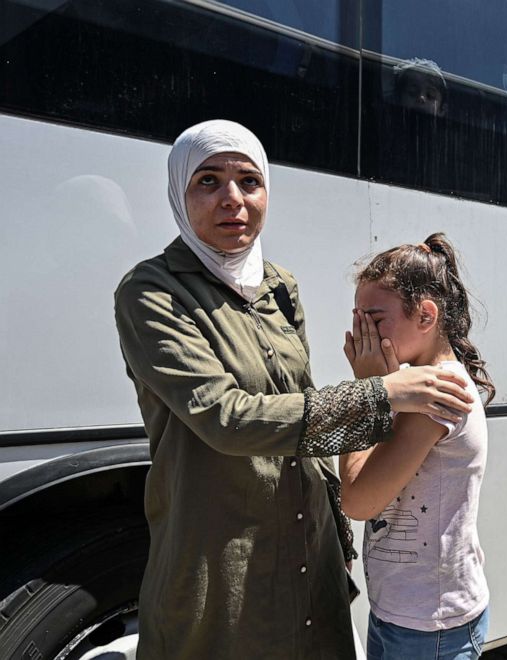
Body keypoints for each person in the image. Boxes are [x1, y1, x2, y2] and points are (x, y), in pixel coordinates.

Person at [113, 120, 474, 660]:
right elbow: (226, 418)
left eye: (249, 182)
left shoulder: (280, 285)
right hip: (222, 561)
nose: (233, 199)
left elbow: (302, 402)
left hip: (308, 550)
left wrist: (337, 536)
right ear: (179, 195)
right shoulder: (151, 292)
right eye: (208, 181)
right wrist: (382, 393)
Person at [339, 234, 494, 660]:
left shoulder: (439, 390)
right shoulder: (414, 384)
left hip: (429, 627)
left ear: (426, 315)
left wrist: (364, 391)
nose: (361, 331)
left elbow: (358, 499)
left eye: (373, 318)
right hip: (409, 615)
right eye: (358, 318)